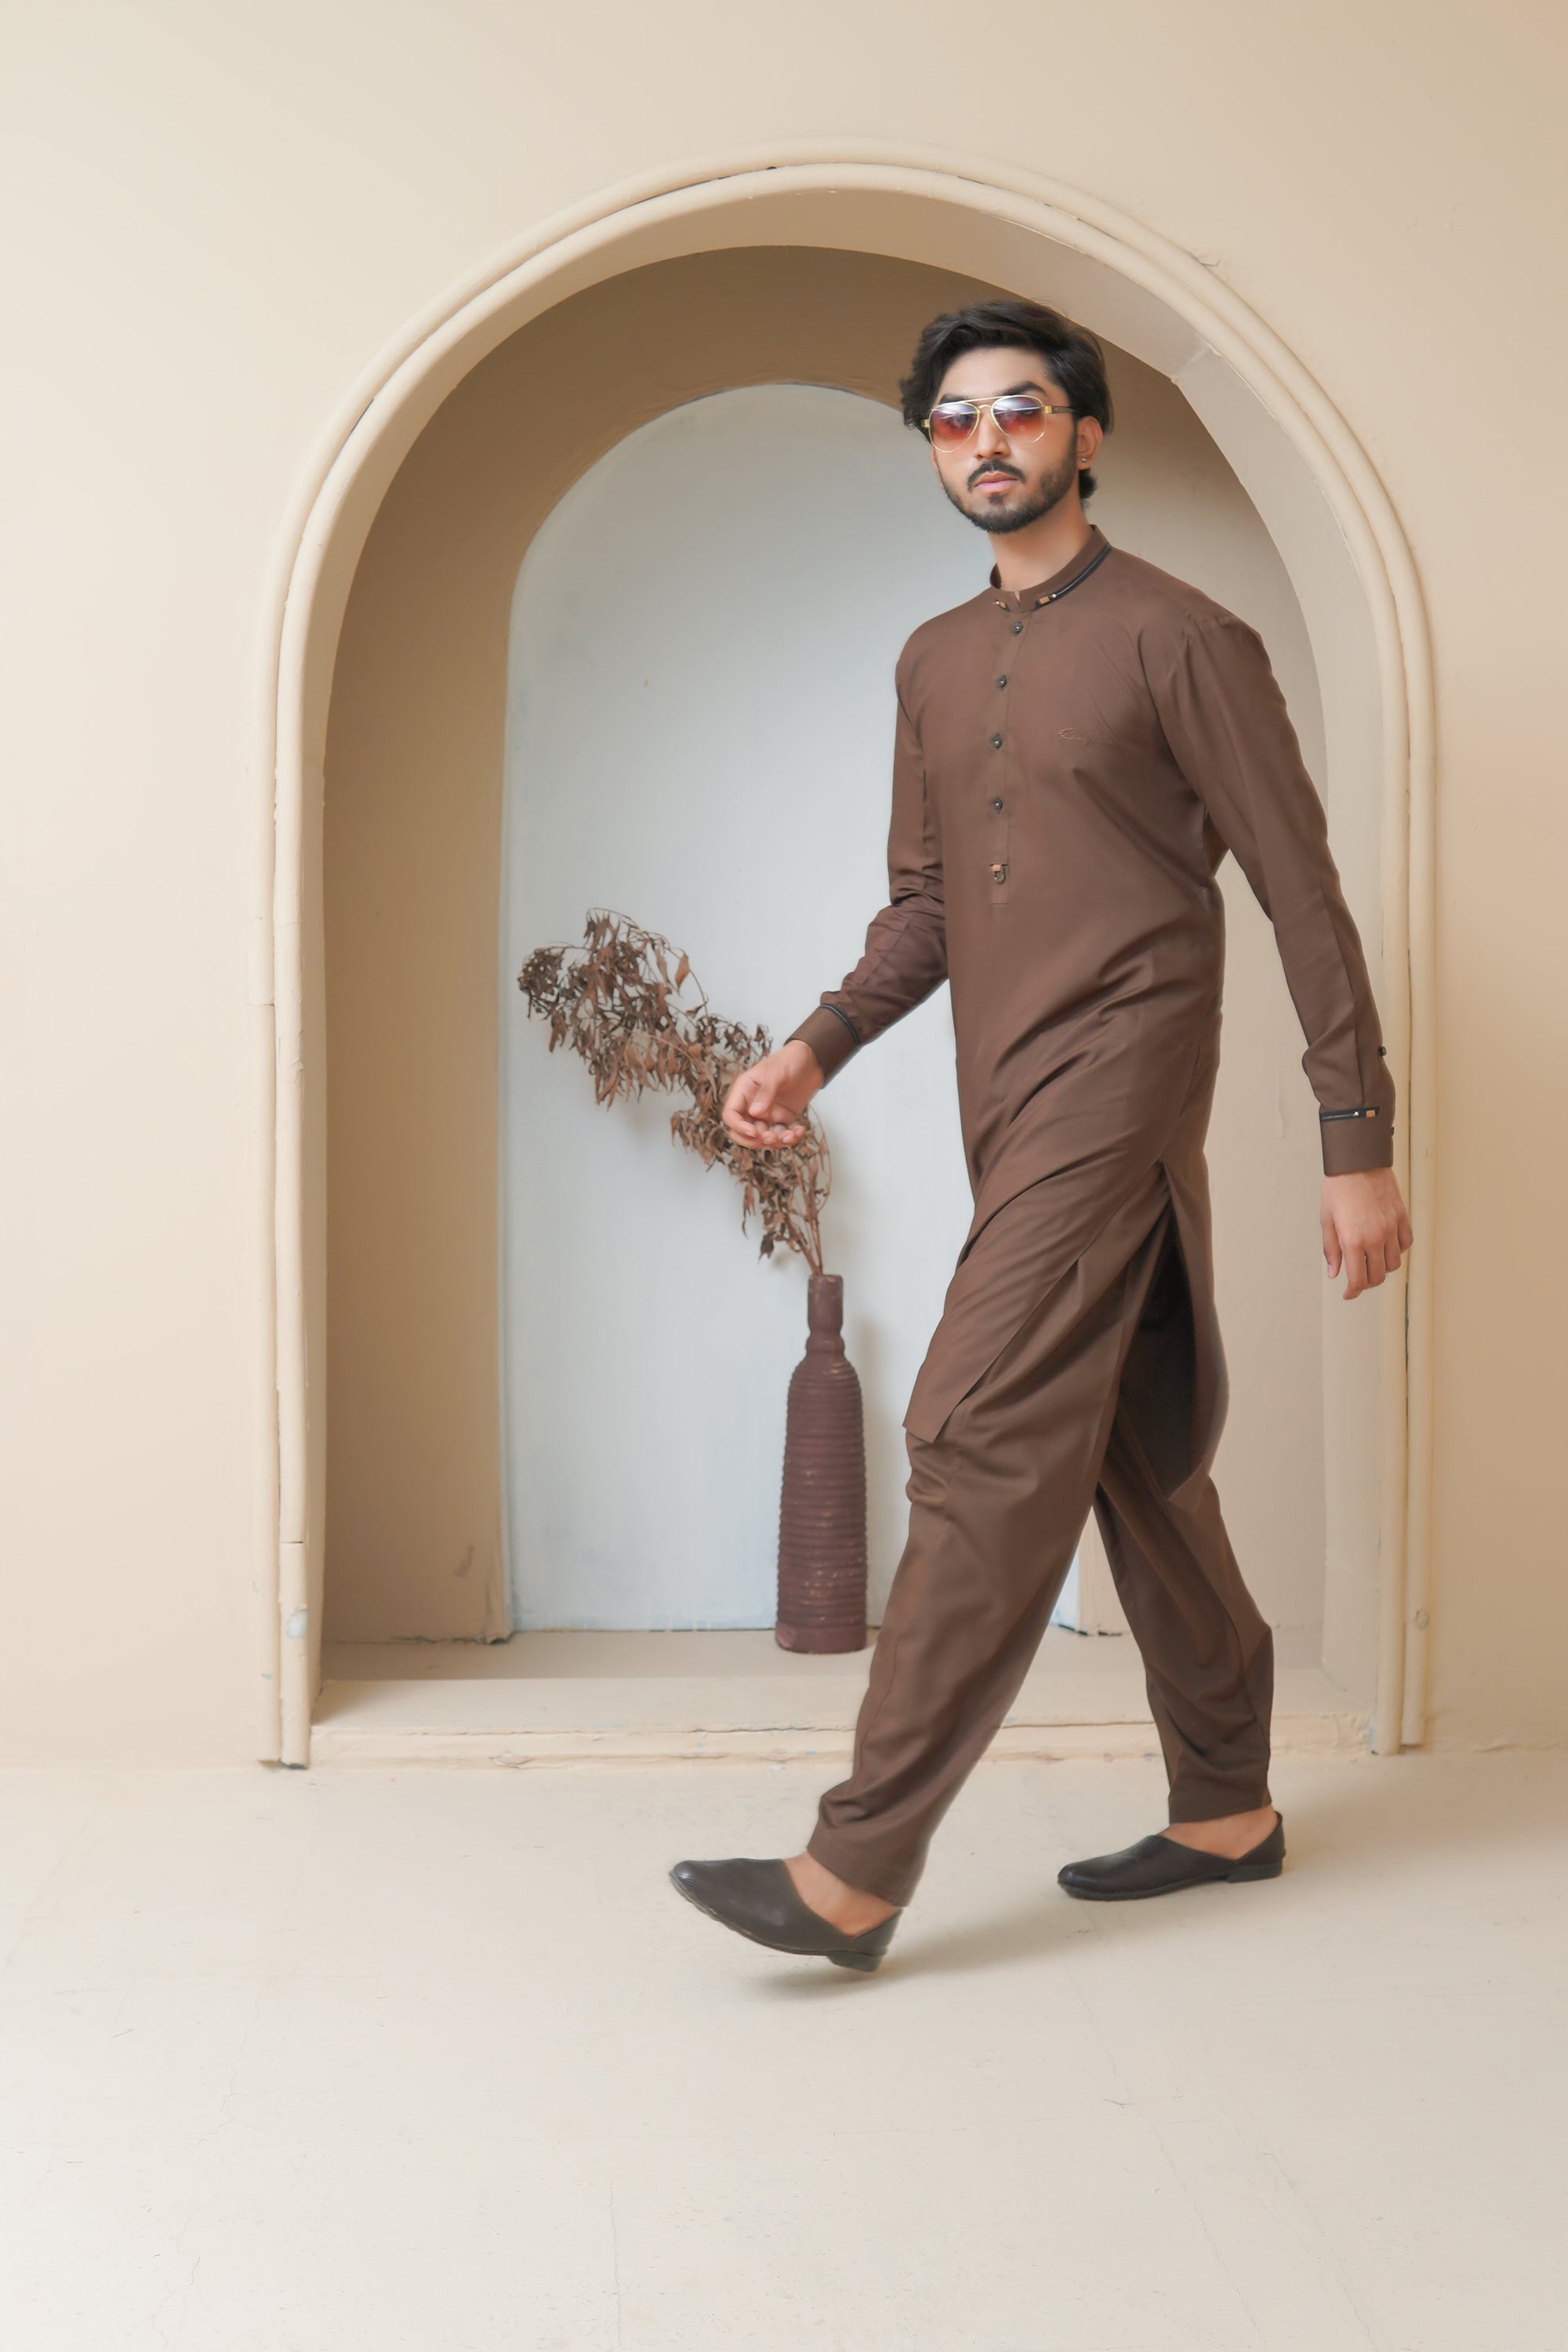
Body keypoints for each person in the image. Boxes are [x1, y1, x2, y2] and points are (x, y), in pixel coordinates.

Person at [669, 299, 1413, 1975]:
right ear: (933, 452)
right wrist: (813, 1047)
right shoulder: (932, 659)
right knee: (1132, 1452)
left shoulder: (1184, 637)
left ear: (1083, 432)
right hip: (1002, 1104)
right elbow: (929, 906)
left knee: (975, 1422)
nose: (986, 439)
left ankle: (853, 1869)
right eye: (954, 419)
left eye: (1017, 409)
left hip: (1123, 1075)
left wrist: (1352, 1136)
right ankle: (1225, 1804)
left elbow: (1301, 894)